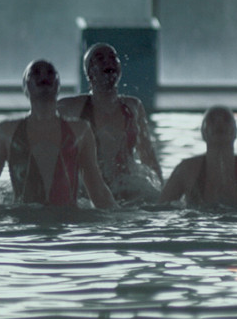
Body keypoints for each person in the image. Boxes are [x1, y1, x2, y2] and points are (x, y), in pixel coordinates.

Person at [0, 59, 117, 209]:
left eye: (50, 72)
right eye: (35, 73)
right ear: (25, 86)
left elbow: (98, 190)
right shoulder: (6, 132)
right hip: (24, 220)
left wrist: (119, 218)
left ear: (58, 85)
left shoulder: (80, 131)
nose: (44, 76)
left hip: (67, 220)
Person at [58, 43, 162, 203]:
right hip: (87, 192)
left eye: (113, 57)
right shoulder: (71, 107)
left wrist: (163, 194)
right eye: (100, 58)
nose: (109, 61)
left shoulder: (133, 107)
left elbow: (148, 157)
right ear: (89, 72)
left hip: (125, 189)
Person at [158, 106, 237, 210]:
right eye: (212, 120)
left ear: (235, 132)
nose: (219, 123)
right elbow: (161, 208)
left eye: (226, 119)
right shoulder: (186, 170)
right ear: (203, 132)